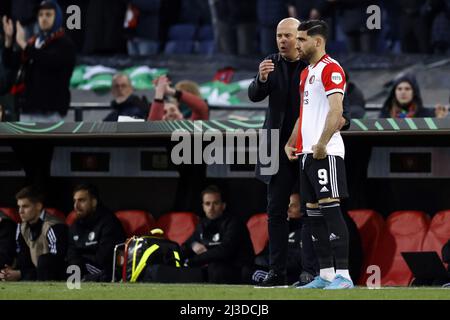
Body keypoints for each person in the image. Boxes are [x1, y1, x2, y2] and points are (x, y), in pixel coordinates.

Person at [248, 17, 350, 287]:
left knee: (313, 210)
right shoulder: (271, 64)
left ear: (302, 38)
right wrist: (260, 78)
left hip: (312, 145)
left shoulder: (318, 65)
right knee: (275, 210)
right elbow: (254, 95)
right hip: (276, 144)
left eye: (290, 36)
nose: (283, 40)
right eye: (278, 35)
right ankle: (277, 272)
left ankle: (313, 271)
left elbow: (338, 107)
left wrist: (329, 134)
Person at [285, 19, 353, 289]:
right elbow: (305, 114)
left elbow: (337, 110)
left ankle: (344, 276)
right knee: (312, 215)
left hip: (325, 152)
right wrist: (292, 141)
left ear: (317, 41)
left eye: (301, 39)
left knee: (331, 211)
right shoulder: (305, 73)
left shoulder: (331, 68)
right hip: (306, 153)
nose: (296, 44)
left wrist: (323, 144)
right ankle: (325, 274)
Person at [2, 1, 76, 121]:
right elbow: (11, 63)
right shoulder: (34, 42)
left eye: (48, 14)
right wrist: (9, 42)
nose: (43, 18)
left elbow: (49, 61)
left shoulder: (64, 44)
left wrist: (24, 46)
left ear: (57, 17)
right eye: (40, 15)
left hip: (51, 112)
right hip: (27, 110)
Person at [181, 185, 255, 284]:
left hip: (238, 269)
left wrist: (192, 261)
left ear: (223, 205)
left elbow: (225, 250)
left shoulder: (234, 223)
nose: (211, 208)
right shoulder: (203, 224)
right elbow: (187, 244)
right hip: (213, 268)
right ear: (203, 206)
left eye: (215, 203)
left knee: (216, 268)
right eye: (207, 204)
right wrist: (192, 245)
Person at [0, 186, 67, 281]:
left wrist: (21, 274)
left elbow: (55, 262)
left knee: (45, 261)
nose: (20, 211)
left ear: (38, 206)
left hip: (61, 277)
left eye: (25, 206)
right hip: (37, 275)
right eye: (19, 206)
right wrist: (10, 273)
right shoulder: (22, 228)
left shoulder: (53, 226)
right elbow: (24, 261)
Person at [67, 184, 125, 282]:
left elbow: (104, 258)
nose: (76, 206)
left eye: (81, 201)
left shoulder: (108, 222)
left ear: (94, 202)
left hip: (104, 270)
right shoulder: (75, 225)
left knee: (76, 267)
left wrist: (80, 262)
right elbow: (71, 253)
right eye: (74, 201)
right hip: (79, 267)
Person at [379, 75, 448, 119]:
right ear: (394, 92)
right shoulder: (385, 114)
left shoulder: (429, 114)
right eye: (399, 89)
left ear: (414, 92)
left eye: (407, 89)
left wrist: (439, 121)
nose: (403, 92)